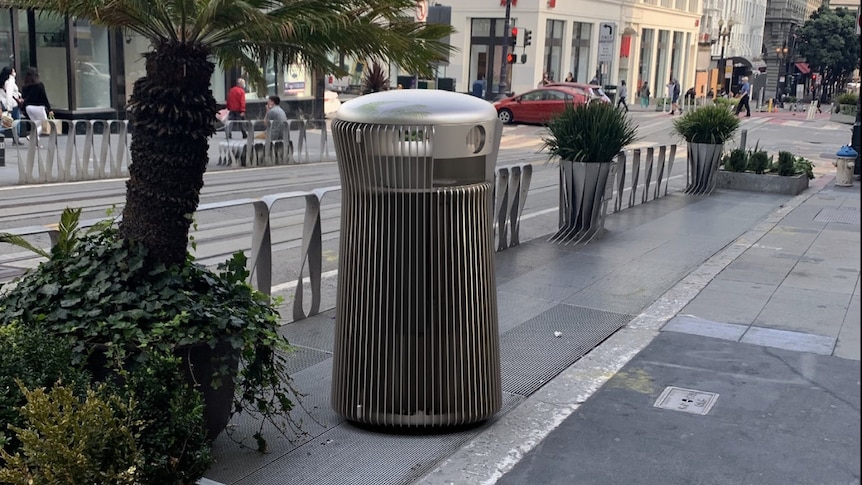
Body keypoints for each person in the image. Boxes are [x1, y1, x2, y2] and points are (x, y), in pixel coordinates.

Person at [21, 67, 52, 140]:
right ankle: (32, 136)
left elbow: (24, 97)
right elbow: (44, 98)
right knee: (45, 124)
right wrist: (49, 109)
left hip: (28, 107)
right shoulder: (39, 85)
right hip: (38, 107)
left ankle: (35, 142)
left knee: (35, 124)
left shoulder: (25, 86)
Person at [0, 67, 24, 144]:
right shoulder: (10, 81)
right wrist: (9, 106)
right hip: (12, 104)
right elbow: (9, 94)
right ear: (10, 73)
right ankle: (16, 138)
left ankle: (15, 138)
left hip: (4, 103)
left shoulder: (3, 81)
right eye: (13, 71)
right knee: (15, 121)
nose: (15, 72)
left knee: (6, 121)